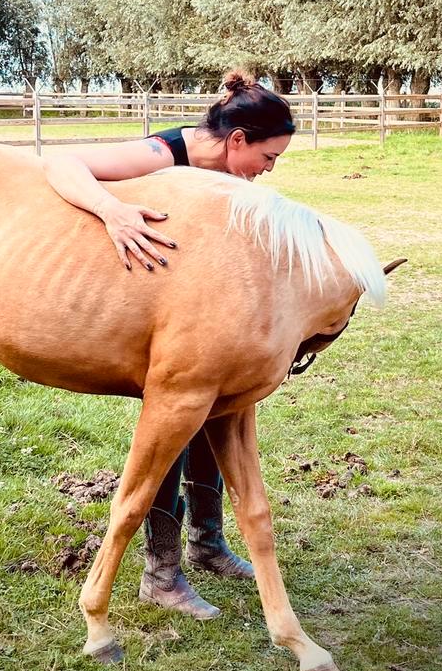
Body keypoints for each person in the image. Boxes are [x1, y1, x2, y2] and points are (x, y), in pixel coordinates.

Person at [43, 70, 295, 619]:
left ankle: (207, 543)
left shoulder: (232, 183)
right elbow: (61, 163)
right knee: (174, 424)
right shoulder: (167, 152)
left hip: (194, 308)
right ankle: (161, 572)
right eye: (268, 157)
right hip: (139, 302)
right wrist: (112, 211)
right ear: (237, 141)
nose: (269, 170)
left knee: (220, 404)